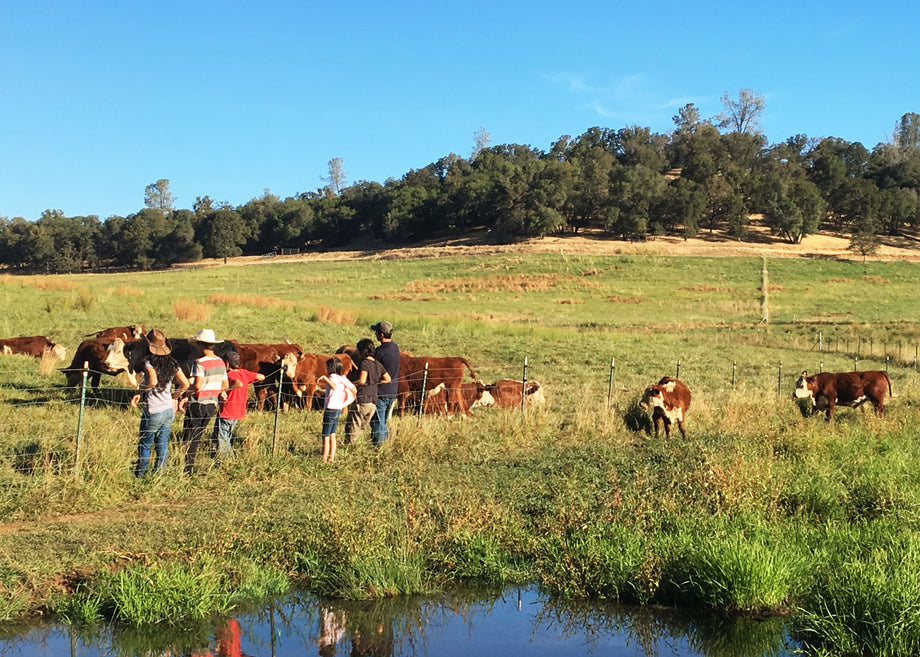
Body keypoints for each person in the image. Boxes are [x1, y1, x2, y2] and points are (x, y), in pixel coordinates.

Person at [130, 329, 190, 477]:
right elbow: (185, 384)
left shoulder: (149, 362)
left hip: (154, 409)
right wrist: (175, 397)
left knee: (145, 443)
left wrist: (138, 392)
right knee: (162, 443)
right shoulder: (172, 363)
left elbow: (152, 381)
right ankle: (159, 474)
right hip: (168, 409)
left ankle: (140, 474)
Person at [180, 328, 228, 474]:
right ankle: (189, 465)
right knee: (198, 434)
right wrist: (214, 390)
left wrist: (185, 394)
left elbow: (198, 385)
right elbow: (225, 385)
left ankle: (188, 467)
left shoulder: (199, 362)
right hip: (211, 403)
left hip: (198, 402)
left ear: (201, 344)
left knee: (190, 434)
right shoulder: (220, 362)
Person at [211, 350, 264, 464]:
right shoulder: (244, 373)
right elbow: (261, 377)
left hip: (227, 411)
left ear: (227, 364)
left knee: (221, 437)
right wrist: (249, 380)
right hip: (238, 412)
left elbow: (238, 383)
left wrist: (225, 389)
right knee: (226, 435)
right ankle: (225, 458)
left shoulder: (229, 375)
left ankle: (225, 461)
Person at [344, 338, 391, 445]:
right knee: (361, 428)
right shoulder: (378, 364)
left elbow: (362, 380)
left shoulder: (364, 363)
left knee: (352, 428)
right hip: (373, 401)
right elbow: (388, 378)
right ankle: (356, 447)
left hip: (362, 399)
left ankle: (350, 449)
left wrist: (350, 385)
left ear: (363, 351)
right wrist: (375, 381)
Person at [317, 356, 356, 463]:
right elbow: (354, 389)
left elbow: (333, 386)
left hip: (330, 408)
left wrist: (325, 379)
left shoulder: (332, 377)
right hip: (338, 408)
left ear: (330, 368)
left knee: (325, 435)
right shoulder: (343, 378)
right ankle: (331, 458)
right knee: (333, 434)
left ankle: (324, 458)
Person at [370, 321, 399, 446]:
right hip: (393, 390)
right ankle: (386, 444)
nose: (375, 334)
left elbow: (375, 371)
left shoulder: (379, 351)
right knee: (383, 421)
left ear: (381, 335)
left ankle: (378, 448)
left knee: (377, 421)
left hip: (381, 391)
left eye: (376, 332)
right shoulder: (395, 347)